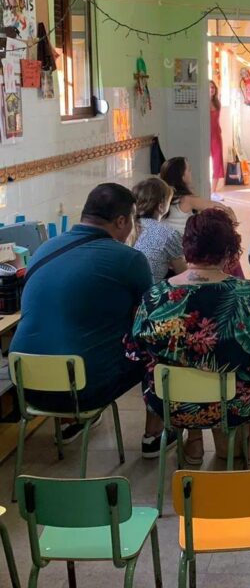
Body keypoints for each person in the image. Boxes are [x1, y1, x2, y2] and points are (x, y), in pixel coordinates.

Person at [10, 183, 170, 456]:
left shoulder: (43, 249)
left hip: (26, 385)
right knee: (157, 343)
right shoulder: (128, 259)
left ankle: (72, 422)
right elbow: (151, 318)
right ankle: (153, 436)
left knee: (65, 335)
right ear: (121, 221)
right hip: (84, 387)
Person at [128, 209, 250, 465]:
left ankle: (194, 441)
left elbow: (138, 349)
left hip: (171, 403)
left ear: (186, 246)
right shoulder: (248, 294)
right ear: (229, 250)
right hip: (232, 403)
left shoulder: (155, 295)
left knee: (178, 359)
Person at [160, 156, 242, 276]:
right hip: (185, 254)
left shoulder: (160, 199)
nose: (191, 173)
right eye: (189, 170)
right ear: (182, 177)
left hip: (167, 255)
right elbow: (220, 209)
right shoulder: (186, 199)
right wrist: (232, 220)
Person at [132, 177, 186, 283]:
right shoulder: (169, 234)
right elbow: (183, 274)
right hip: (150, 294)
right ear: (161, 207)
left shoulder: (128, 227)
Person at [210, 81, 225, 193]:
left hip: (216, 135)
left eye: (213, 87)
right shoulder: (202, 102)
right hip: (206, 135)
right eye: (209, 87)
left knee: (217, 163)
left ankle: (213, 191)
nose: (211, 89)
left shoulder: (217, 103)